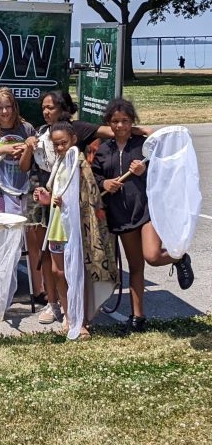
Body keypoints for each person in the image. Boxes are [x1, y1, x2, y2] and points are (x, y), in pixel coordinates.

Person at [23, 89, 151, 326]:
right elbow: (30, 168)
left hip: (80, 212)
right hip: (53, 209)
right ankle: (59, 308)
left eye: (51, 107)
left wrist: (136, 129)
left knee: (79, 265)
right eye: (44, 108)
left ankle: (80, 316)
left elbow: (113, 131)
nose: (46, 111)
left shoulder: (79, 134)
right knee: (55, 265)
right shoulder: (41, 133)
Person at [92, 98, 195, 332]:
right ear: (109, 122)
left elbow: (164, 169)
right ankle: (137, 318)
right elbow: (94, 177)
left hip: (147, 210)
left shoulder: (144, 146)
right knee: (136, 266)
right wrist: (104, 183)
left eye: (125, 121)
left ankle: (179, 258)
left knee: (152, 256)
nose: (120, 125)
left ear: (132, 122)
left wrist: (145, 169)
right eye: (115, 121)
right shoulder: (103, 149)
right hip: (121, 215)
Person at [33, 121, 118, 339]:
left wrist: (67, 202)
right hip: (58, 226)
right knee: (59, 273)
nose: (60, 147)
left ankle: (82, 320)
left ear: (73, 140)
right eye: (56, 144)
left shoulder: (80, 165)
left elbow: (89, 197)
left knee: (78, 273)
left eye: (63, 143)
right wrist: (47, 198)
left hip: (77, 228)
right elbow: (57, 195)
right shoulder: (60, 163)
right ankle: (69, 316)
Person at [0, 87, 43, 301]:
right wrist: (1, 151)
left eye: (8, 106)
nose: (4, 112)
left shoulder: (26, 128)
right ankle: (0, 292)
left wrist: (27, 149)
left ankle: (39, 290)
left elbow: (33, 163)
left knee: (32, 242)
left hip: (25, 192)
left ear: (14, 106)